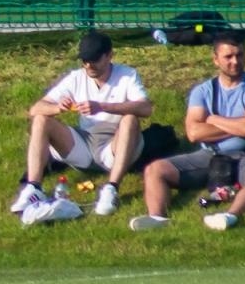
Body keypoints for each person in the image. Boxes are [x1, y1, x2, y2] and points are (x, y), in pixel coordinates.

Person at [129, 33, 245, 232]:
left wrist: (213, 119)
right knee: (155, 169)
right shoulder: (202, 91)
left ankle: (231, 215)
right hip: (209, 155)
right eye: (228, 57)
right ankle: (157, 217)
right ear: (215, 60)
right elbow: (194, 133)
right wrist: (236, 125)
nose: (235, 61)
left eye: (240, 55)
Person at [12, 30, 151, 224]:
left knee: (130, 119)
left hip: (115, 142)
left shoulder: (127, 75)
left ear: (109, 55)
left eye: (94, 59)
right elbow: (35, 108)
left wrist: (102, 106)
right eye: (85, 60)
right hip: (84, 142)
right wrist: (57, 107)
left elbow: (145, 108)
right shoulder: (76, 77)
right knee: (41, 119)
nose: (88, 65)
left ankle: (111, 188)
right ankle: (34, 188)